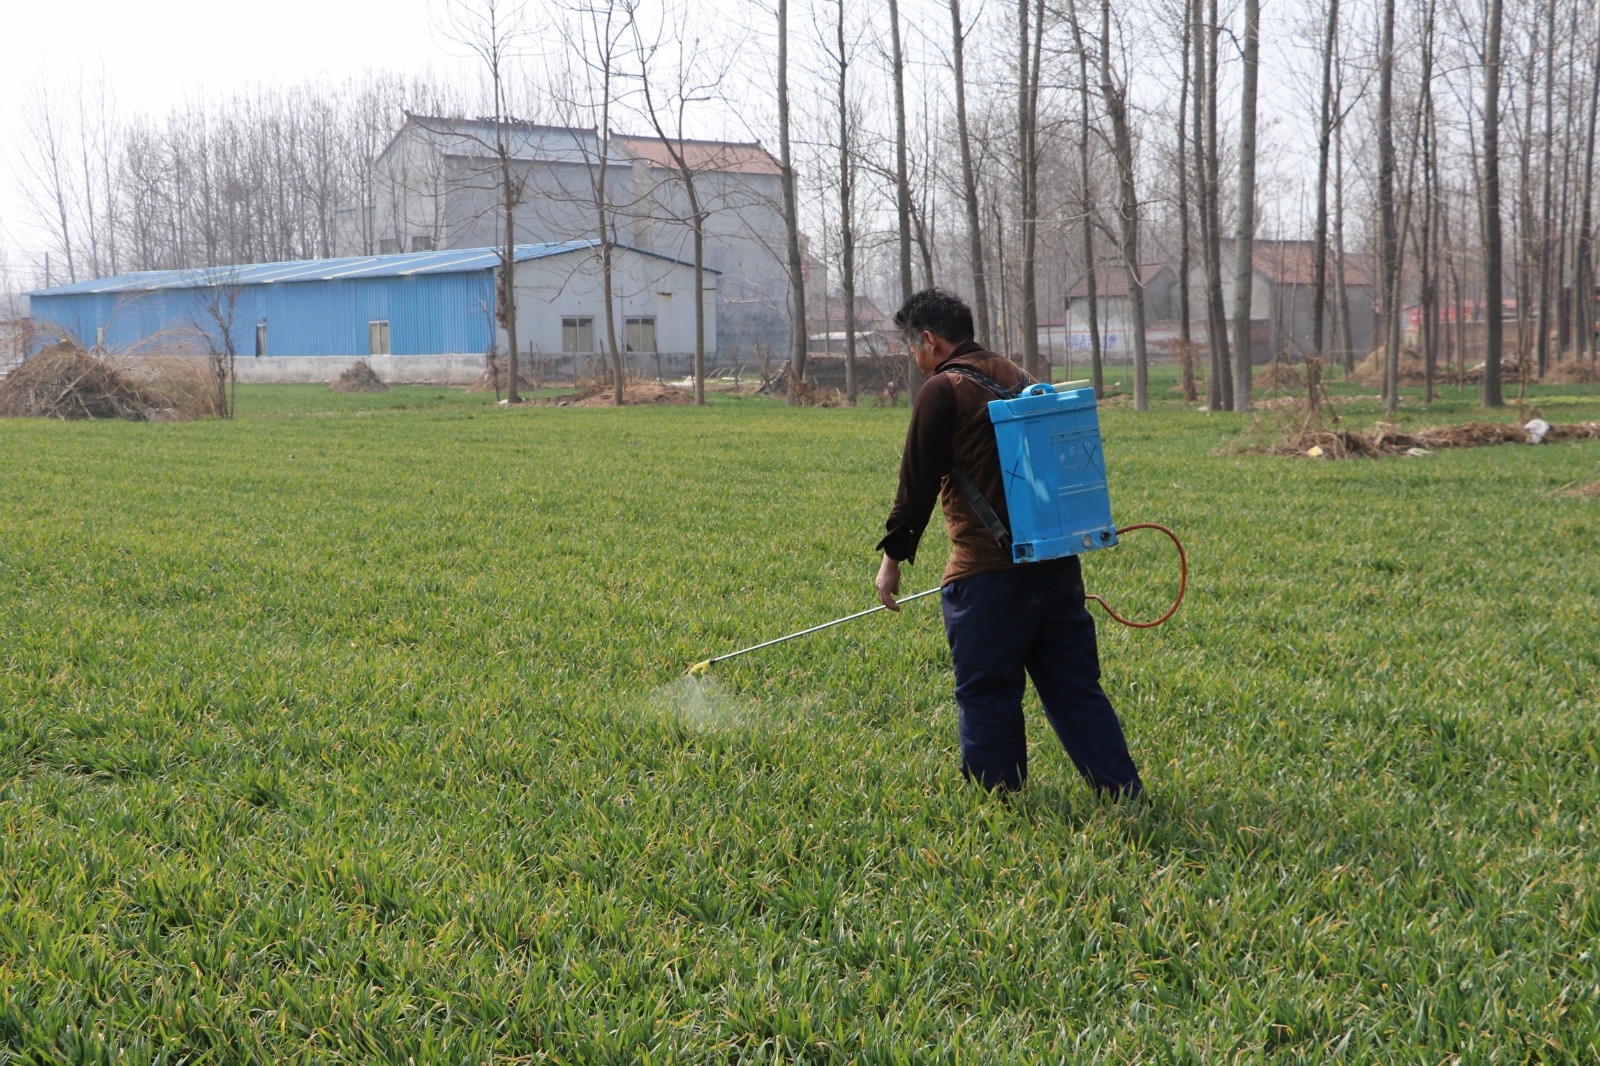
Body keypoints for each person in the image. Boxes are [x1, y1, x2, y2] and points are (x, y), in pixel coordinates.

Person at [874, 288, 1143, 798]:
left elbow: (916, 487)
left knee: (988, 694)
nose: (916, 359)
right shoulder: (1020, 377)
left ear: (929, 340)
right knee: (1076, 691)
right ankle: (1123, 791)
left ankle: (999, 804)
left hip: (986, 578)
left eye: (913, 347)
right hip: (1056, 569)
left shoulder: (942, 388)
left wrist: (892, 561)